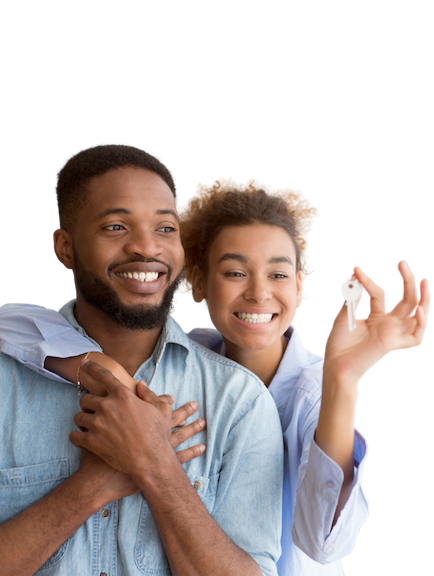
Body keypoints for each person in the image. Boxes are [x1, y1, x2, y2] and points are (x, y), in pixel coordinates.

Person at [1, 176, 430, 575]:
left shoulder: (312, 392)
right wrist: (100, 367)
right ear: (199, 285)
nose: (259, 292)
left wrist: (343, 375)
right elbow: (13, 321)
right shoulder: (189, 354)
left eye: (278, 274)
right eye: (235, 273)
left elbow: (323, 543)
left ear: (301, 287)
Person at [0, 145, 285, 576]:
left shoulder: (239, 402)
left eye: (165, 228)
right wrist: (92, 486)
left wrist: (156, 466)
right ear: (65, 248)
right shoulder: (5, 382)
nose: (147, 247)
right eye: (116, 226)